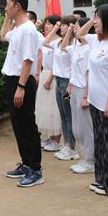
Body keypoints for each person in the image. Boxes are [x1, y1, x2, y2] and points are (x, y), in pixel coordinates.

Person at [78, 4, 108, 196]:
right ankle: (101, 179)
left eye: (98, 18)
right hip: (95, 101)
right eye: (95, 17)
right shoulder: (95, 41)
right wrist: (91, 19)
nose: (95, 21)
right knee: (100, 143)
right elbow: (80, 33)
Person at [0, 0, 44, 187]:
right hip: (13, 80)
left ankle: (35, 169)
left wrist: (21, 87)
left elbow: (28, 60)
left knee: (27, 125)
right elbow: (3, 36)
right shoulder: (18, 28)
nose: (5, 7)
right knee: (18, 125)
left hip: (22, 82)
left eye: (8, 4)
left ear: (17, 6)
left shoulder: (28, 30)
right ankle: (26, 163)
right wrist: (7, 18)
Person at [62, 17, 95, 173]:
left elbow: (89, 73)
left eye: (76, 26)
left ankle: (91, 161)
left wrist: (85, 97)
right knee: (77, 127)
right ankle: (84, 158)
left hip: (83, 90)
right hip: (75, 88)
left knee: (85, 127)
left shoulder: (90, 48)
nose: (74, 28)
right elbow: (63, 47)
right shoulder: (76, 46)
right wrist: (70, 84)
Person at [44, 15, 79, 161]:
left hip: (67, 82)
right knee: (63, 115)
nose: (62, 27)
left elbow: (75, 66)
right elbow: (45, 42)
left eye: (64, 25)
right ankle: (66, 145)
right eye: (61, 25)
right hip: (58, 81)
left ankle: (72, 147)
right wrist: (56, 28)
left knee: (69, 116)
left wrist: (70, 83)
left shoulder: (74, 44)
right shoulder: (58, 42)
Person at [36, 15, 63, 152]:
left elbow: (57, 63)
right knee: (44, 107)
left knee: (54, 108)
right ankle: (49, 136)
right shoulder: (47, 40)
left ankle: (56, 140)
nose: (46, 26)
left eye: (49, 24)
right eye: (45, 23)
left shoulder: (59, 41)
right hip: (44, 73)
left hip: (52, 76)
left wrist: (49, 79)